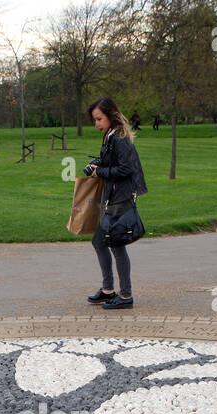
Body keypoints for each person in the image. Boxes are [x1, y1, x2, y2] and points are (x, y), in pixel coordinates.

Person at [84, 96, 147, 311]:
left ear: (110, 115)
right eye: (94, 120)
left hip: (121, 197)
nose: (97, 124)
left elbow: (126, 169)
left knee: (115, 244)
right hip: (113, 195)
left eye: (99, 119)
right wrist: (96, 164)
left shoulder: (119, 138)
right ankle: (109, 289)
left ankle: (126, 295)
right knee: (100, 241)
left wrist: (99, 171)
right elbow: (114, 163)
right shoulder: (110, 136)